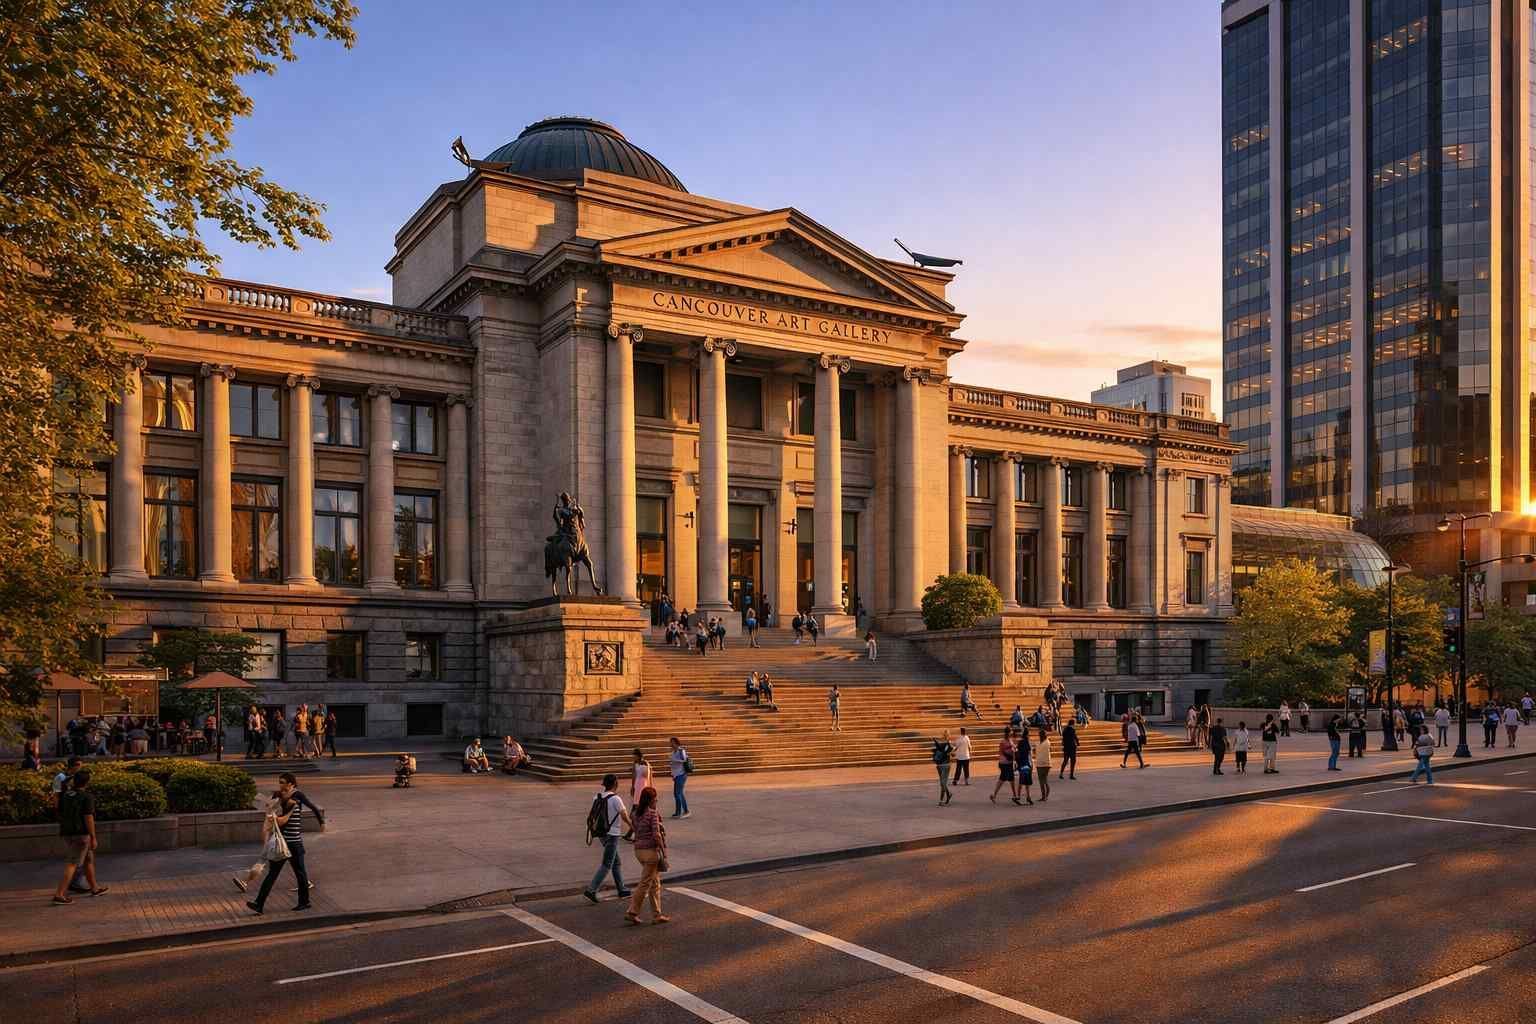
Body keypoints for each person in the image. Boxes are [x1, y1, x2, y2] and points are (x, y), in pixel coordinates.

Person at [247, 774, 313, 914]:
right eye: (279, 784)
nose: (281, 787)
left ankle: (304, 902)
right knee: (272, 874)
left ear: (290, 785)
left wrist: (274, 817)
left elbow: (283, 821)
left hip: (294, 844)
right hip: (282, 844)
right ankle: (259, 904)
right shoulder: (282, 804)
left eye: (283, 784)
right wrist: (270, 812)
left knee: (300, 873)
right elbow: (271, 823)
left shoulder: (294, 803)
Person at [52, 769, 107, 904]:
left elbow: (58, 809)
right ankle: (59, 894)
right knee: (73, 863)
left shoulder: (65, 795)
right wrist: (93, 837)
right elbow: (88, 817)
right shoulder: (86, 797)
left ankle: (94, 888)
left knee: (88, 859)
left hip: (67, 832)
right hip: (81, 834)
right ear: (87, 782)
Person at [624, 785, 670, 926]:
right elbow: (656, 835)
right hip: (651, 852)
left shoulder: (635, 814)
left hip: (639, 851)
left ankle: (657, 914)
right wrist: (664, 851)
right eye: (655, 799)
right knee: (645, 883)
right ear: (650, 800)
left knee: (655, 882)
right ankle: (632, 911)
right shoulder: (652, 814)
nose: (656, 802)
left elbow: (636, 830)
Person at [583, 773, 632, 904]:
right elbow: (624, 816)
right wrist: (633, 826)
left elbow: (591, 815)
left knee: (616, 862)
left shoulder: (597, 797)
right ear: (615, 784)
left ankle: (621, 889)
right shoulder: (616, 799)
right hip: (613, 834)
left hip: (602, 834)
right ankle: (591, 890)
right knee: (607, 863)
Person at [233, 790, 284, 891]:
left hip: (275, 841)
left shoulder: (270, 812)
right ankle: (304, 881)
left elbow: (265, 829)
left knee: (262, 861)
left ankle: (245, 881)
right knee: (295, 863)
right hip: (284, 840)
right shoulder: (283, 810)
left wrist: (266, 843)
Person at [989, 728, 1016, 805]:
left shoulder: (1010, 740)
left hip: (1008, 762)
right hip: (1005, 762)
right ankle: (995, 795)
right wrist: (1009, 755)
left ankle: (995, 795)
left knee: (1007, 779)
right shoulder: (1003, 742)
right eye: (1010, 732)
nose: (1010, 733)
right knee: (1006, 779)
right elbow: (1001, 751)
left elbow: (1013, 748)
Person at [668, 736, 691, 818]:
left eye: (672, 742)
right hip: (676, 775)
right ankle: (682, 811)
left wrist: (674, 760)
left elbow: (684, 760)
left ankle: (682, 811)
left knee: (677, 793)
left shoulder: (681, 751)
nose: (670, 744)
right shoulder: (673, 752)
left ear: (676, 743)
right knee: (678, 793)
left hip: (681, 774)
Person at [932, 731, 955, 806]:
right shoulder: (948, 744)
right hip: (942, 765)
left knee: (943, 783)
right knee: (942, 783)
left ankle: (941, 800)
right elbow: (952, 754)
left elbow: (949, 753)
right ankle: (948, 794)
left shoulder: (946, 744)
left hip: (943, 765)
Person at [1013, 728, 1035, 805]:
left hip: (1021, 764)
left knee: (1021, 781)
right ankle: (1027, 797)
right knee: (1027, 782)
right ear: (1028, 735)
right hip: (1027, 764)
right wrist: (1032, 764)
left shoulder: (1020, 742)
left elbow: (1015, 750)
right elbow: (1030, 755)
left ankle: (1019, 796)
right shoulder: (1028, 743)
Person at [1033, 727, 1052, 801]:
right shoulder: (1042, 743)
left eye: (1040, 735)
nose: (1039, 736)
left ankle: (1045, 795)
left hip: (1044, 763)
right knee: (1043, 781)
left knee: (1043, 780)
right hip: (1041, 763)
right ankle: (1044, 796)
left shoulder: (1047, 742)